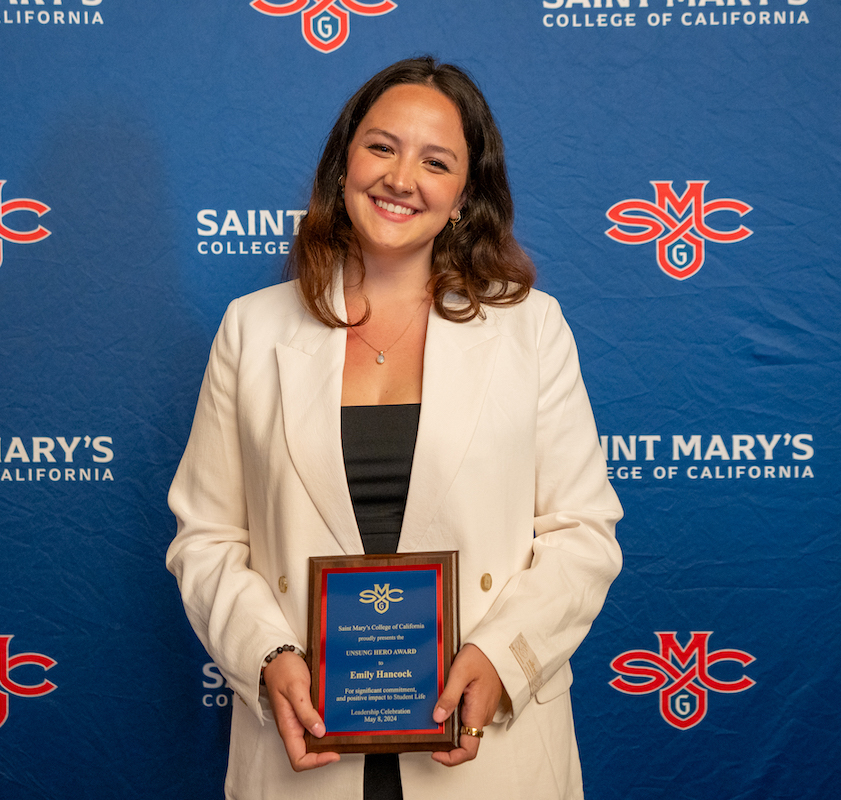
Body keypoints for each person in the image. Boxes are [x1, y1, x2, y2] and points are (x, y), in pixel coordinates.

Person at [167, 56, 623, 800]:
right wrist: (266, 654)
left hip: (484, 754)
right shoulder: (250, 330)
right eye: (381, 146)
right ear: (344, 160)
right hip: (304, 752)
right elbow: (208, 536)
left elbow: (583, 532)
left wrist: (504, 659)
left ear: (464, 195)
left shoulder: (530, 329)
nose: (401, 177)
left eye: (435, 161)